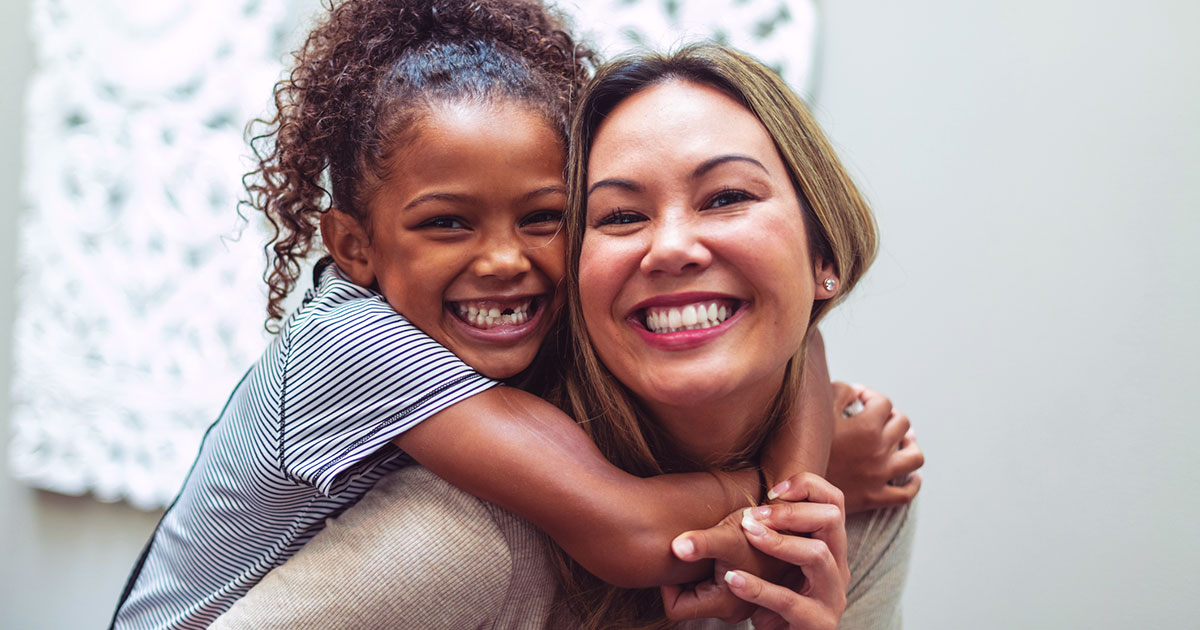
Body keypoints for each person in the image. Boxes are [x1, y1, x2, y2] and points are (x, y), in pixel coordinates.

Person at [108, 2, 918, 628]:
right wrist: (790, 498)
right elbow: (632, 529)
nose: (505, 260)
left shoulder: (515, 323)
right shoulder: (352, 345)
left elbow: (797, 339)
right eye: (446, 222)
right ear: (353, 246)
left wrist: (802, 478)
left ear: (824, 258)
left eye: (541, 219)